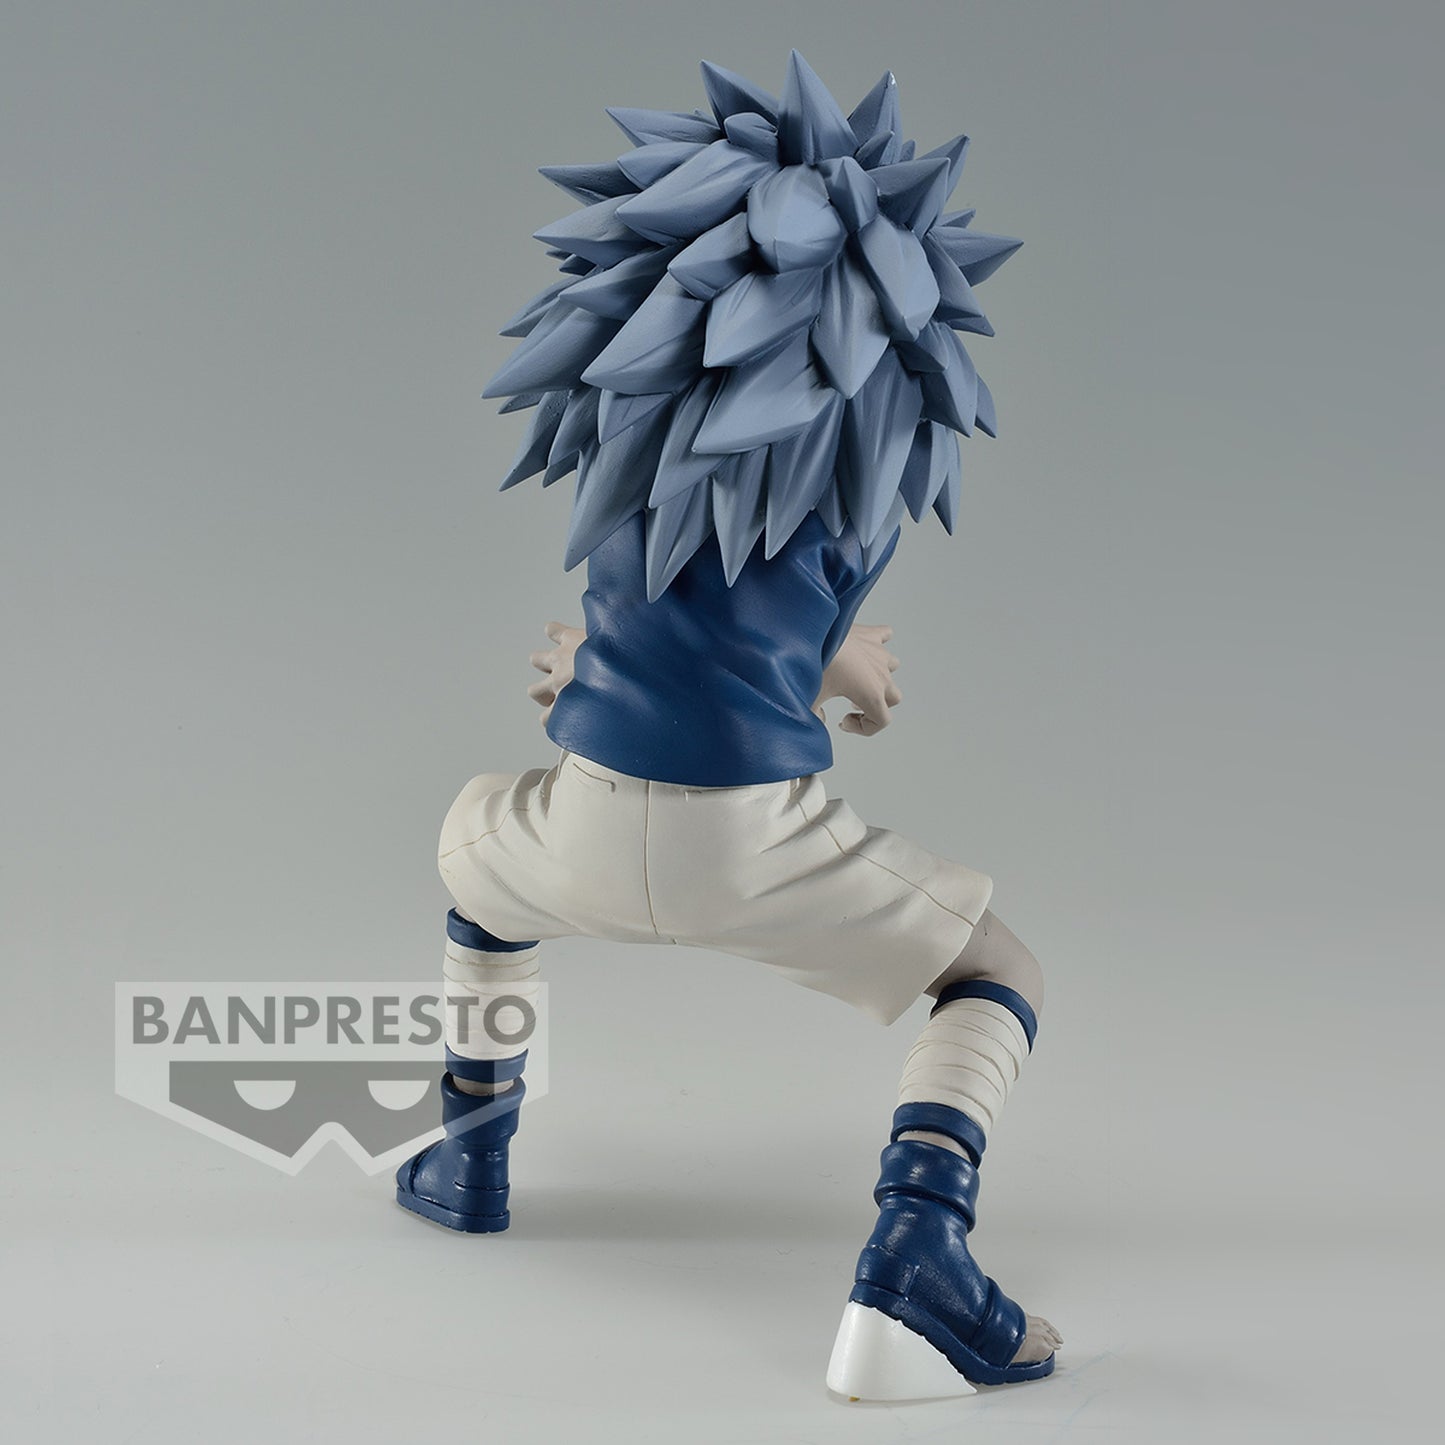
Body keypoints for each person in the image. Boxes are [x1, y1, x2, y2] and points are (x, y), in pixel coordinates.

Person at [395, 51, 1060, 1397]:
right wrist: (846, 671)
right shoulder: (841, 492)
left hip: (582, 822)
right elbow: (798, 655)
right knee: (997, 974)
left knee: (479, 870)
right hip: (753, 843)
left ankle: (468, 1149)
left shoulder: (626, 459)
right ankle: (920, 1258)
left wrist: (588, 671)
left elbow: (655, 644)